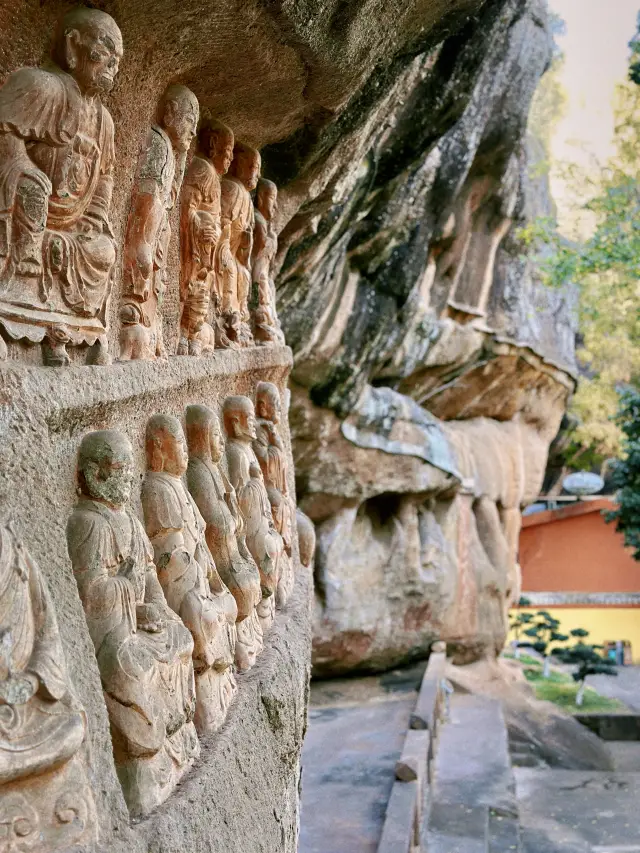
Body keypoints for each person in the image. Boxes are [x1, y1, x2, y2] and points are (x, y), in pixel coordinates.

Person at [67, 430, 199, 816]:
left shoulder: (130, 522)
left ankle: (176, 740)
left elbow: (150, 577)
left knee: (181, 638)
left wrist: (154, 607)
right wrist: (127, 588)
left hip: (137, 623)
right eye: (119, 470)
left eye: (129, 470)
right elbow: (91, 594)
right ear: (93, 474)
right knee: (130, 669)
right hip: (113, 634)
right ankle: (142, 757)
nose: (127, 479)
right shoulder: (88, 523)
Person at [0, 8, 123, 365]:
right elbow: (4, 133)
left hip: (69, 231)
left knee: (104, 250)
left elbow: (106, 177)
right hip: (28, 211)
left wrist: (93, 218)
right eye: (105, 52)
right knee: (31, 196)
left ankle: (68, 329)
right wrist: (21, 168)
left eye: (118, 59)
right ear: (73, 47)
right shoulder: (40, 86)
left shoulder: (106, 121)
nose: (113, 65)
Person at [142, 414, 238, 733]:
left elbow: (201, 538)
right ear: (160, 448)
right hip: (182, 590)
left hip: (200, 582)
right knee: (202, 614)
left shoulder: (178, 486)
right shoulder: (158, 489)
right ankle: (206, 706)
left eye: (185, 442)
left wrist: (213, 578)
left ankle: (220, 687)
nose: (184, 451)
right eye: (178, 443)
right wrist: (197, 576)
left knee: (228, 604)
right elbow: (170, 557)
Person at [185, 404, 263, 671]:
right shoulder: (198, 472)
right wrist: (232, 513)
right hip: (218, 558)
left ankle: (245, 641)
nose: (220, 442)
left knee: (254, 579)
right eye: (215, 436)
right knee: (241, 589)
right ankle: (233, 649)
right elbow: (215, 523)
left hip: (233, 550)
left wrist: (234, 511)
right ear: (204, 437)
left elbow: (234, 513)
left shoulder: (215, 469)